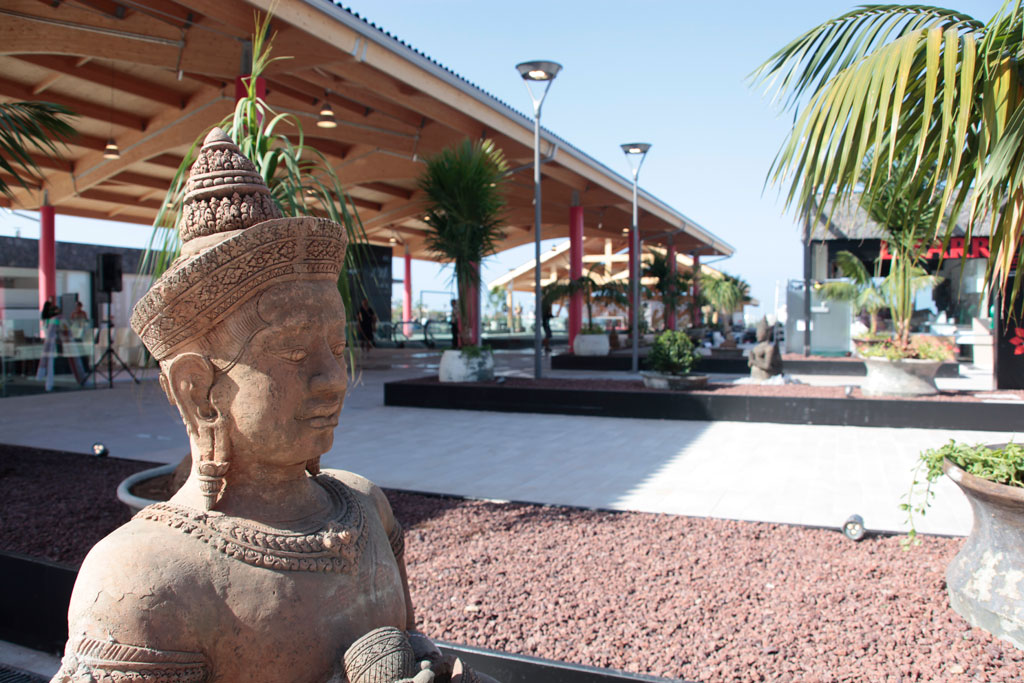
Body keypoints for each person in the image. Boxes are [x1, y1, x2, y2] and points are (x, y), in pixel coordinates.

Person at [53, 129, 494, 683]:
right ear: (197, 388)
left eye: (338, 349)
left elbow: (408, 645)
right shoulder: (145, 577)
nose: (335, 380)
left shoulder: (367, 510)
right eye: (291, 351)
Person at [35, 296, 61, 391]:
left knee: (47, 360)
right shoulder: (52, 318)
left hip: (49, 341)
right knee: (49, 361)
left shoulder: (48, 317)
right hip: (51, 341)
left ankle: (43, 376)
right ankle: (47, 382)